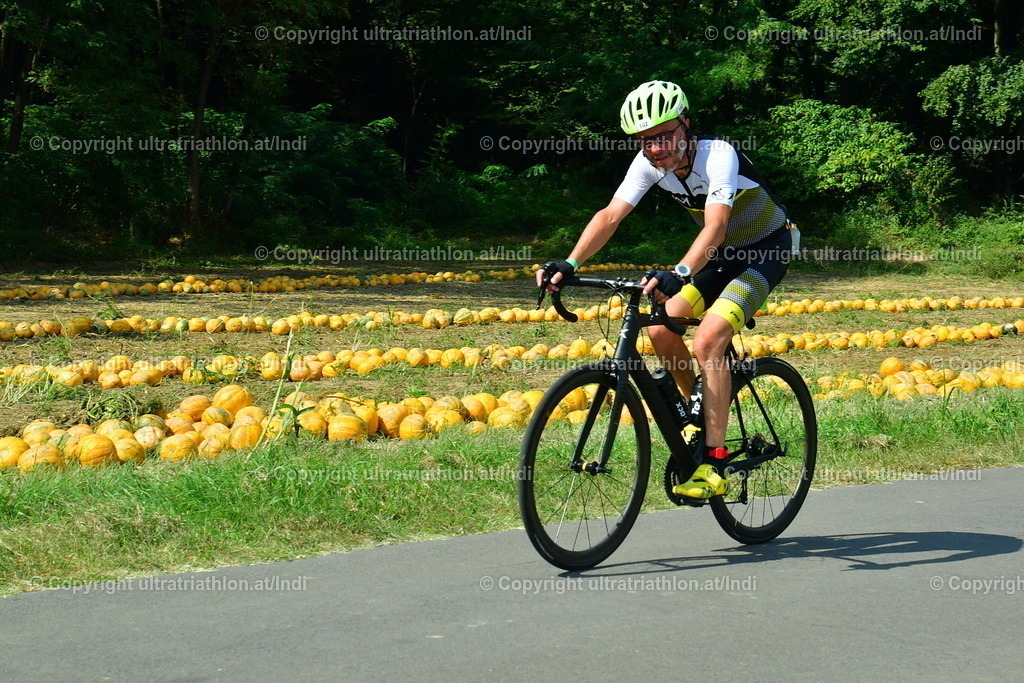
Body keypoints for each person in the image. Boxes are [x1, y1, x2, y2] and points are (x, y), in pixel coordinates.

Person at [536, 80, 797, 499]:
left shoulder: (718, 155)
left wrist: (679, 271)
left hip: (767, 249)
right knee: (660, 328)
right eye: (644, 141)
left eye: (663, 135)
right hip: (722, 255)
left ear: (686, 125)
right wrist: (569, 263)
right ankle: (702, 403)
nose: (655, 148)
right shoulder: (649, 165)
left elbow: (716, 225)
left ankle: (714, 461)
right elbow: (610, 216)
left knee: (709, 339)